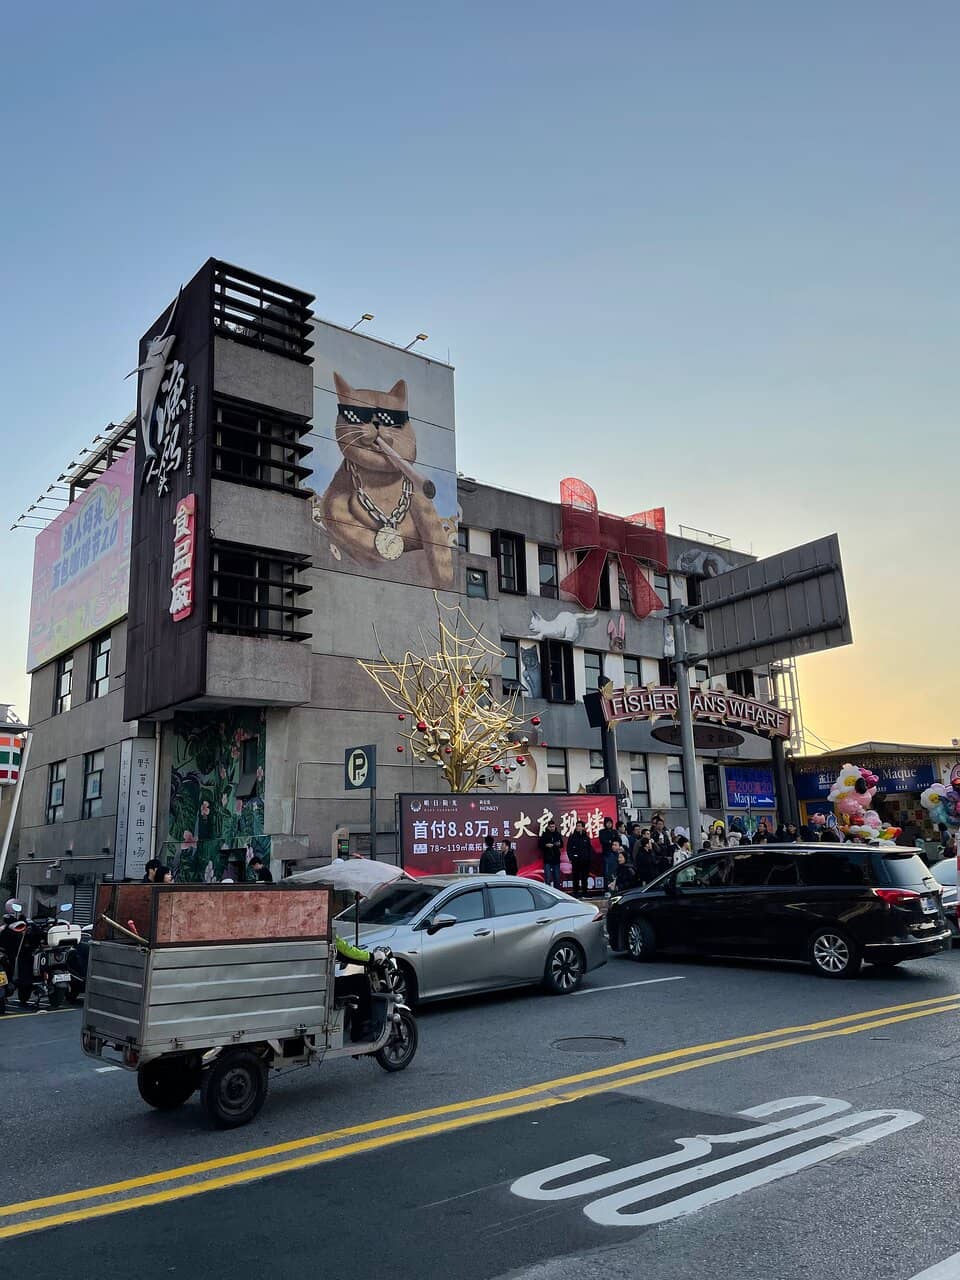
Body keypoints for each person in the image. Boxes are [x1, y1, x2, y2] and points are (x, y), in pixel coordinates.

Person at [334, 935, 387, 1042]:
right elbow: (347, 952)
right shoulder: (326, 931)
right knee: (362, 981)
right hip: (327, 984)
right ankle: (362, 1028)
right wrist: (372, 957)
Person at [567, 820, 593, 897]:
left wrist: (589, 858)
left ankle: (585, 892)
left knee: (584, 877)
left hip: (585, 861)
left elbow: (589, 849)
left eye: (579, 826)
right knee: (576, 877)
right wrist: (571, 858)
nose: (578, 827)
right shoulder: (572, 837)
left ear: (583, 828)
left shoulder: (586, 837)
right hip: (576, 861)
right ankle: (575, 892)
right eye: (577, 826)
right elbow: (569, 848)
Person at [539, 820, 564, 889]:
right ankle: (548, 893)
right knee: (548, 878)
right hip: (547, 859)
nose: (552, 828)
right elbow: (540, 845)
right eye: (551, 827)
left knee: (557, 877)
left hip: (556, 859)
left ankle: (557, 893)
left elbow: (562, 844)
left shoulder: (557, 834)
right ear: (548, 827)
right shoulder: (544, 834)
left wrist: (559, 844)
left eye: (553, 827)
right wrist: (546, 845)